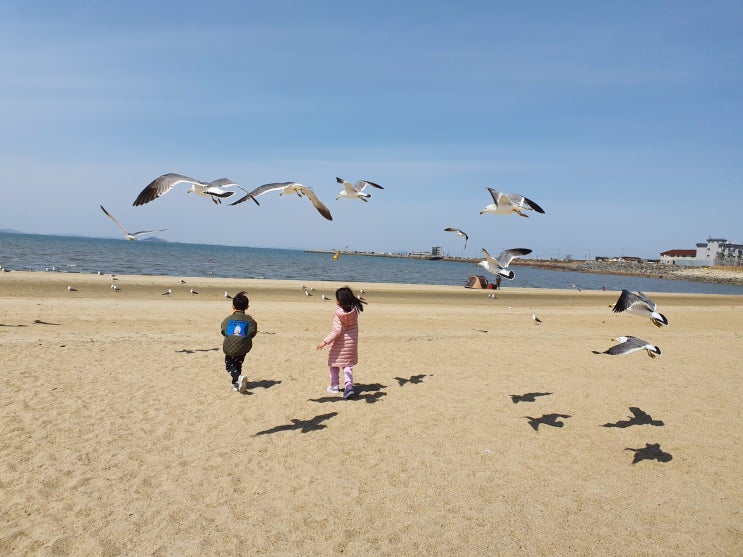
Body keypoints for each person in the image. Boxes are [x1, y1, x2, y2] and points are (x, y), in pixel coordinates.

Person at [316, 286, 366, 399]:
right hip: (351, 344)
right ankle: (349, 387)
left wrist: (325, 341)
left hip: (339, 344)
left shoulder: (338, 313)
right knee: (347, 365)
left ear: (340, 301)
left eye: (337, 298)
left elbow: (336, 331)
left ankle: (334, 387)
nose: (335, 300)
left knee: (334, 364)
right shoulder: (354, 311)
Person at [220, 291, 258, 393]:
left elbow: (223, 330)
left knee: (229, 366)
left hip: (230, 347)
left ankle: (238, 378)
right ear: (247, 307)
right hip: (243, 347)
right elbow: (252, 332)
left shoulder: (228, 319)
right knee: (238, 364)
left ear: (233, 306)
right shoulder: (250, 320)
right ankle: (236, 383)